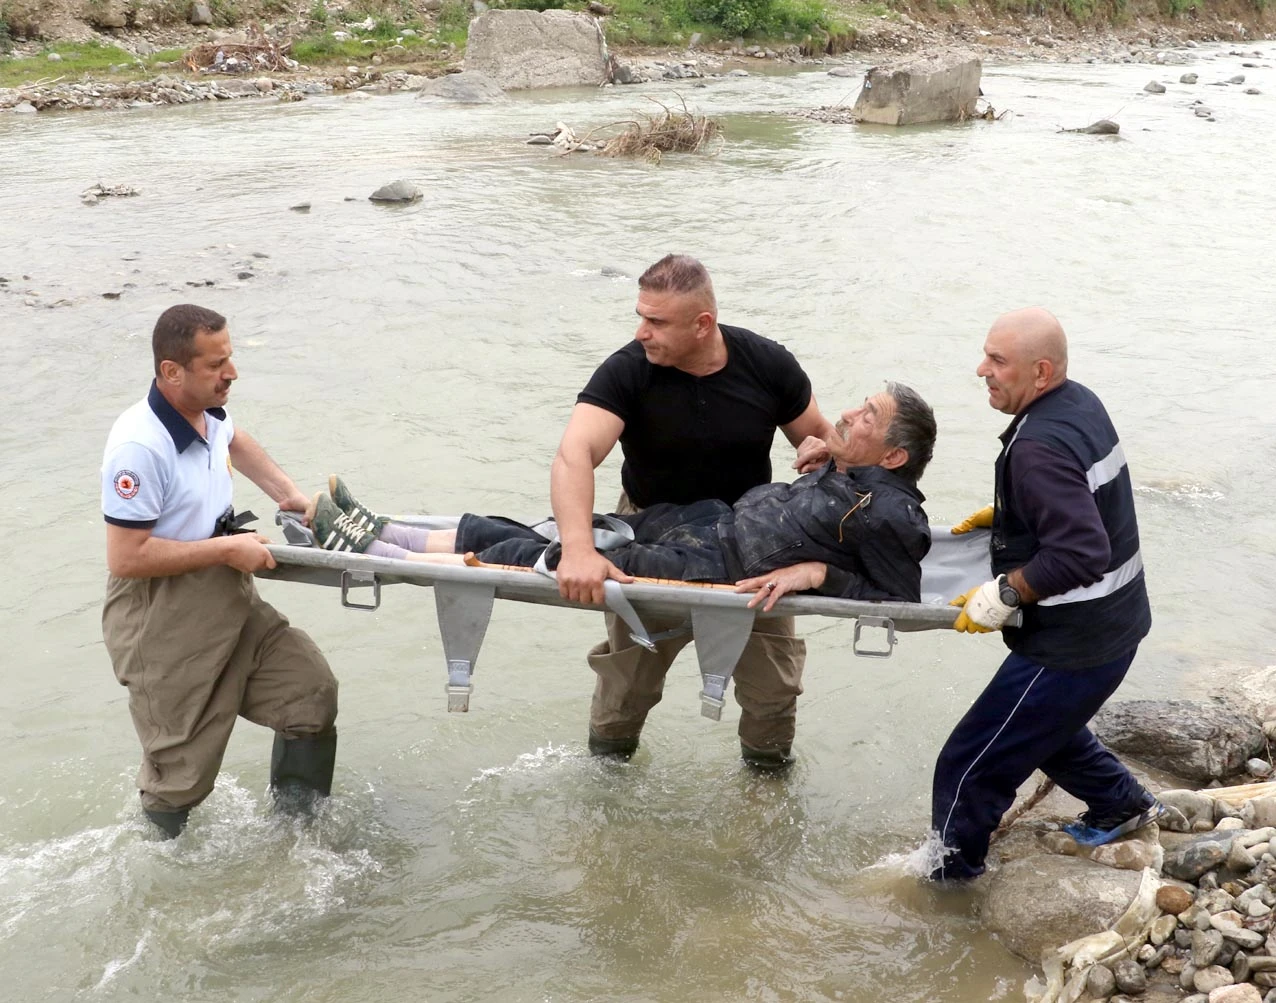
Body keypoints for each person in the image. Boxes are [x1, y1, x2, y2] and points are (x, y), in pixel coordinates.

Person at [306, 383, 936, 615]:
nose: (846, 415)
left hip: (717, 569)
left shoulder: (893, 513)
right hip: (708, 523)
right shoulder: (854, 471)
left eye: (867, 417)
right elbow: (835, 499)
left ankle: (379, 553)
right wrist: (832, 459)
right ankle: (383, 528)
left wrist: (818, 572)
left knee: (557, 559)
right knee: (562, 529)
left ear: (894, 457)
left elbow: (900, 598)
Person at [555, 255, 837, 767]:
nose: (641, 332)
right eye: (640, 316)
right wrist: (577, 549)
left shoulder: (767, 364)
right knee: (626, 687)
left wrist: (821, 455)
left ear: (702, 324)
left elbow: (820, 438)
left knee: (774, 689)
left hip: (753, 544)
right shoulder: (628, 370)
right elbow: (575, 454)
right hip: (651, 536)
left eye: (656, 321)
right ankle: (606, 780)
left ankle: (766, 786)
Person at [928, 307, 1162, 882]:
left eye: (997, 360)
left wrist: (1004, 593)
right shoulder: (1079, 402)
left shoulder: (1038, 447)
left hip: (1075, 645)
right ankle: (1121, 804)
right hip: (1116, 624)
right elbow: (1088, 501)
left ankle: (949, 887)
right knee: (1042, 728)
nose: (981, 370)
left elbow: (1082, 553)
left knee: (967, 769)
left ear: (1040, 371)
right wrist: (1016, 515)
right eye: (985, 355)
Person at [101, 304, 339, 839]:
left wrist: (288, 495)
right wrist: (227, 551)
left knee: (309, 694)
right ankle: (161, 871)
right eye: (215, 365)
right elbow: (127, 557)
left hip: (230, 594)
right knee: (178, 778)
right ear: (171, 371)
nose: (231, 373)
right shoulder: (139, 448)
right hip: (161, 617)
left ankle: (298, 841)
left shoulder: (207, 411)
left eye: (228, 358)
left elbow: (234, 439)